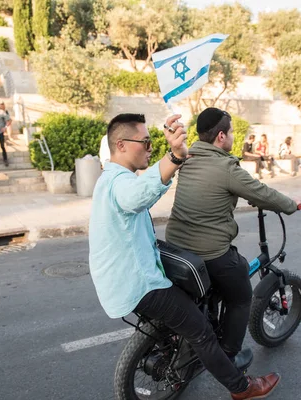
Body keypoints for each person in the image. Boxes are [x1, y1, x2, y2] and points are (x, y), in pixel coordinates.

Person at [88, 113, 282, 400]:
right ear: (121, 144)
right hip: (140, 284)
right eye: (145, 141)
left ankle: (184, 348)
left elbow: (144, 194)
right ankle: (242, 388)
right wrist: (175, 157)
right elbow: (138, 196)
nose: (150, 147)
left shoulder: (110, 179)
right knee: (201, 331)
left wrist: (172, 162)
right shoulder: (121, 185)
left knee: (191, 309)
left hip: (118, 281)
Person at [165, 107, 299, 394]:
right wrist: (291, 204)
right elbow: (262, 192)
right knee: (241, 296)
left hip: (176, 245)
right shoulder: (227, 168)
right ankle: (229, 354)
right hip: (209, 252)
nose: (234, 137)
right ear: (221, 136)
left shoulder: (187, 158)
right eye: (232, 132)